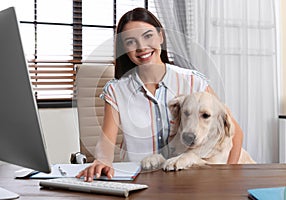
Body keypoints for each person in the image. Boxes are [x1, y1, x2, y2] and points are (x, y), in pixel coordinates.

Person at [76, 7, 244, 182]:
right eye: (131, 42)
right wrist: (102, 159)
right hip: (138, 179)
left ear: (161, 37)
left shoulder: (194, 82)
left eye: (148, 36)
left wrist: (227, 176)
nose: (141, 47)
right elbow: (106, 141)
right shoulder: (116, 90)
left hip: (188, 182)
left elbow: (235, 134)